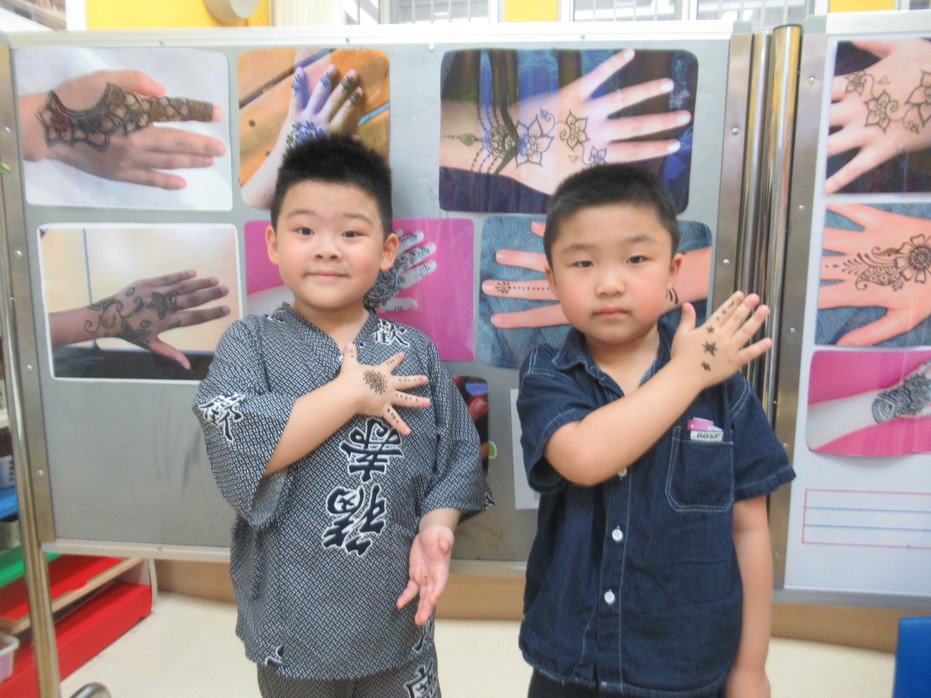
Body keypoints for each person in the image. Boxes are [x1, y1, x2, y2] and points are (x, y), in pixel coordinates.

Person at [192, 134, 489, 696]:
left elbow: (456, 458)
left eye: (351, 233)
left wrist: (437, 526)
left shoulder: (412, 350)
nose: (327, 249)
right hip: (293, 629)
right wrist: (350, 395)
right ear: (273, 243)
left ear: (387, 250)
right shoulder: (249, 343)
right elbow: (238, 443)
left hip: (397, 617)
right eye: (305, 231)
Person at [516, 164, 795, 697]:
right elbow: (583, 456)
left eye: (636, 259)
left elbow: (749, 530)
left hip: (688, 669)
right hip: (572, 664)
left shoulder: (723, 386)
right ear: (552, 279)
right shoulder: (548, 373)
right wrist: (688, 372)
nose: (609, 283)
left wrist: (751, 668)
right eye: (582, 263)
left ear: (674, 269)